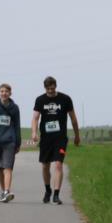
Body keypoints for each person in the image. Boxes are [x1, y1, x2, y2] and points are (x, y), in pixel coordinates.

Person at [31, 76, 81, 205]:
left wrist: (77, 135)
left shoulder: (65, 99)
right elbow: (35, 118)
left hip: (60, 137)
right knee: (45, 165)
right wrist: (34, 133)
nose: (51, 91)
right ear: (45, 88)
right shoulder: (40, 100)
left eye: (52, 88)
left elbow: (73, 119)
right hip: (46, 138)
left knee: (58, 164)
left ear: (56, 86)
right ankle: (48, 190)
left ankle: (56, 194)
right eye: (48, 89)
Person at [0, 83, 21, 203]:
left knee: (8, 167)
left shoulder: (14, 108)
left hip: (9, 142)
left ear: (10, 93)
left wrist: (18, 143)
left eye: (6, 91)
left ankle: (7, 191)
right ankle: (3, 192)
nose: (4, 93)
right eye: (2, 91)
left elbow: (17, 126)